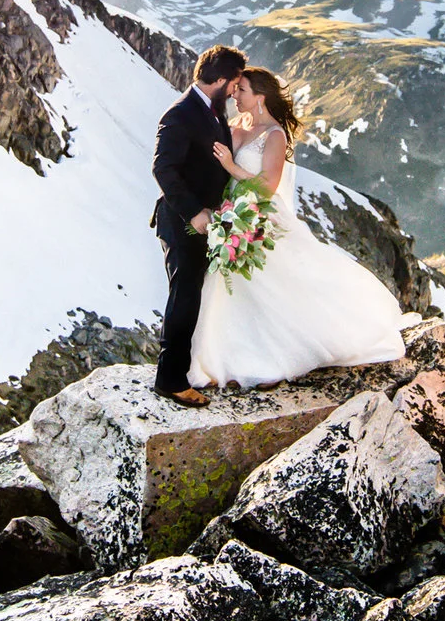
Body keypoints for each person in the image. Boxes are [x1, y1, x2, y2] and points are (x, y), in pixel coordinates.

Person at [188, 66, 406, 389]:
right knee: (230, 288)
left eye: (242, 90)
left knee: (270, 286)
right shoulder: (234, 125)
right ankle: (228, 358)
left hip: (261, 215)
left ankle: (273, 360)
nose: (235, 95)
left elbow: (267, 185)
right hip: (231, 213)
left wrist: (232, 167)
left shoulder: (274, 135)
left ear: (260, 97)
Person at [150, 45, 248, 404]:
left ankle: (187, 370)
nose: (235, 92)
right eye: (234, 84)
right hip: (180, 220)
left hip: (208, 222)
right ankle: (170, 380)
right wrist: (194, 212)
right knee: (185, 294)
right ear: (219, 80)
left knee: (194, 294)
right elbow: (163, 169)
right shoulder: (180, 114)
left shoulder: (214, 110)